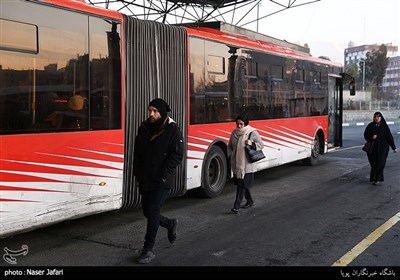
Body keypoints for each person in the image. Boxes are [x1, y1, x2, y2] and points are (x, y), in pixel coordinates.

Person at [133, 98, 184, 264]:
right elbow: (137, 153)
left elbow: (176, 154)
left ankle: (148, 249)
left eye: (154, 111)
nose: (151, 114)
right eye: (149, 110)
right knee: (147, 212)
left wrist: (164, 174)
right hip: (146, 177)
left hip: (162, 179)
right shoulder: (144, 127)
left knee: (153, 211)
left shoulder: (172, 129)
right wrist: (137, 173)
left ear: (161, 112)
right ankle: (170, 224)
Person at [227, 114, 264, 214]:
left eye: (241, 124)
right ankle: (250, 200)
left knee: (241, 186)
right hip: (237, 165)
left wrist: (252, 143)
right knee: (243, 184)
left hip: (247, 166)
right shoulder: (234, 133)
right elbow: (229, 146)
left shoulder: (252, 132)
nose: (239, 126)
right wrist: (231, 155)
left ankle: (236, 206)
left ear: (246, 124)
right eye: (237, 124)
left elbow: (261, 145)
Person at [363, 111, 397, 185]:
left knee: (380, 164)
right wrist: (371, 137)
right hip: (372, 149)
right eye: (375, 117)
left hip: (382, 149)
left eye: (378, 117)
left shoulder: (384, 126)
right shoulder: (371, 125)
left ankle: (377, 179)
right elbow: (365, 135)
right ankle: (374, 178)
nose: (377, 118)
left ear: (381, 118)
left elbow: (389, 137)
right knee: (373, 164)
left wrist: (393, 147)